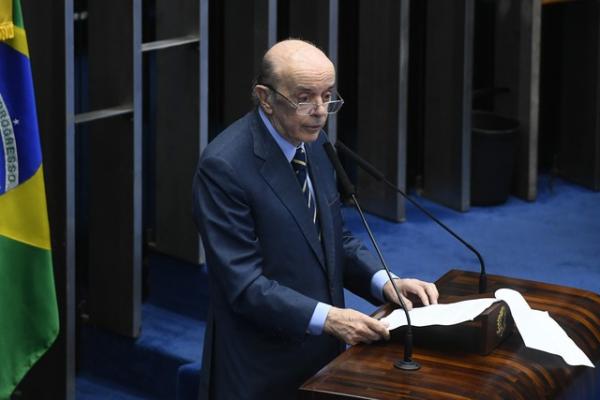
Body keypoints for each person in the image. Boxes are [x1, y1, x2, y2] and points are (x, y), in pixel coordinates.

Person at [192, 39, 438, 400]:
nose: (321, 111)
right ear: (265, 97)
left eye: (328, 96)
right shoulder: (224, 168)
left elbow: (333, 238)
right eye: (305, 97)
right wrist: (331, 318)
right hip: (261, 366)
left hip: (325, 355)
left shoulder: (315, 144)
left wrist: (383, 282)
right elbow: (243, 286)